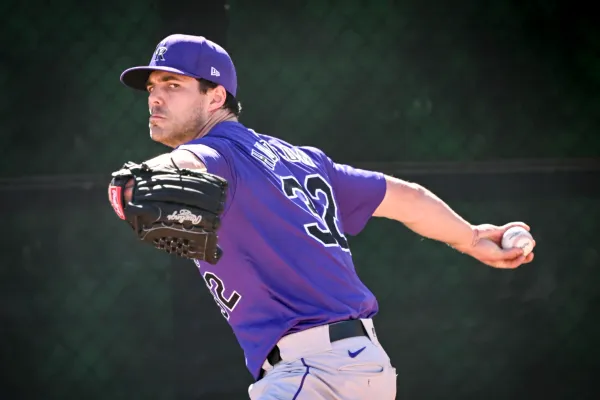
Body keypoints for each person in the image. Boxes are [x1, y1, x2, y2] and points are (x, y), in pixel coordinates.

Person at [117, 34, 535, 400]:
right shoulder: (304, 161)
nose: (155, 97)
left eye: (173, 85)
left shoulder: (218, 154)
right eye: (153, 86)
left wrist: (147, 179)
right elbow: (404, 197)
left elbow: (190, 162)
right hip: (352, 365)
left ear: (216, 96)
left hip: (315, 372)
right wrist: (470, 237)